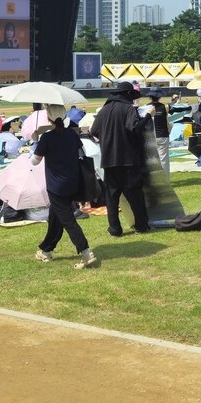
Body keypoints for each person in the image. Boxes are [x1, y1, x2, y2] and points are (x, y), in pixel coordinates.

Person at [31, 105, 99, 268]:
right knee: (56, 217)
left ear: (49, 119)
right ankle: (46, 249)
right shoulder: (71, 134)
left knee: (68, 220)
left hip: (56, 186)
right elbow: (80, 152)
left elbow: (34, 161)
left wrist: (35, 140)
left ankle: (86, 251)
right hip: (72, 182)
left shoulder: (47, 137)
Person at [93, 82, 150, 238]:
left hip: (108, 160)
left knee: (112, 197)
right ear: (128, 95)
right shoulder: (128, 109)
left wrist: (108, 137)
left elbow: (94, 131)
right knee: (135, 194)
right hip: (128, 159)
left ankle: (115, 228)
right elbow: (134, 128)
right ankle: (141, 225)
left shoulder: (103, 110)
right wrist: (147, 117)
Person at [142, 89, 172, 172]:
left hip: (150, 136)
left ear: (150, 97)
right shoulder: (165, 107)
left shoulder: (145, 107)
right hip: (162, 136)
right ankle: (165, 178)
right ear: (160, 97)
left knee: (151, 160)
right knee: (164, 160)